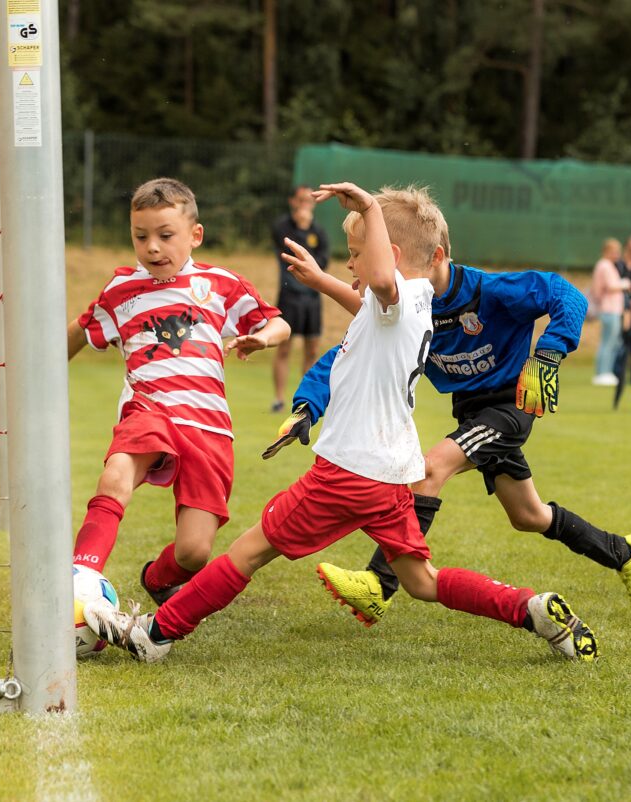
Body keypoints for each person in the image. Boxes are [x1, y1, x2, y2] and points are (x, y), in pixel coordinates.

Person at [84, 183, 600, 663]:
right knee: (421, 580)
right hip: (390, 474)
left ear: (386, 256)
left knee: (247, 552)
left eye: (355, 253)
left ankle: (156, 634)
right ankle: (530, 609)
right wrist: (321, 280)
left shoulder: (394, 296)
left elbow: (381, 283)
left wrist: (369, 207)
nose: (351, 262)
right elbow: (369, 301)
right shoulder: (417, 304)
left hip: (347, 473)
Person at [290, 202, 631, 625]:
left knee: (429, 469)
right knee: (529, 516)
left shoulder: (491, 291)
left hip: (510, 407)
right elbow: (347, 354)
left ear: (434, 257)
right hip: (470, 414)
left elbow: (566, 295)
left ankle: (379, 583)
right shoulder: (407, 306)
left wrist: (548, 354)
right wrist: (308, 404)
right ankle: (626, 552)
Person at [67, 177, 289, 603]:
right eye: (141, 236)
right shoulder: (120, 291)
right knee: (115, 477)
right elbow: (81, 329)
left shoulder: (221, 284)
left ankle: (157, 578)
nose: (152, 247)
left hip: (208, 428)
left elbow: (279, 324)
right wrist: (40, 367)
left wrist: (262, 338)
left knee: (194, 552)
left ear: (195, 235)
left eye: (165, 236)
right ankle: (80, 579)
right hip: (148, 411)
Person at [271, 184, 330, 412]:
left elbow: (321, 263)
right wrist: (302, 229)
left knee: (312, 350)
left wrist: (308, 229)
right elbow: (289, 255)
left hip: (312, 298)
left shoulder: (320, 231)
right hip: (289, 296)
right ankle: (278, 399)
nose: (305, 204)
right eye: (301, 200)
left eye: (309, 200)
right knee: (284, 348)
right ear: (293, 202)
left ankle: (305, 400)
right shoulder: (282, 227)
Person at [590, 238, 631, 386]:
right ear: (606, 251)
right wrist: (626, 283)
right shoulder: (605, 265)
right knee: (608, 342)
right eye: (614, 252)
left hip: (613, 309)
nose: (616, 255)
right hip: (609, 309)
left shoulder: (607, 265)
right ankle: (603, 372)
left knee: (612, 341)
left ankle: (606, 371)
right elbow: (611, 285)